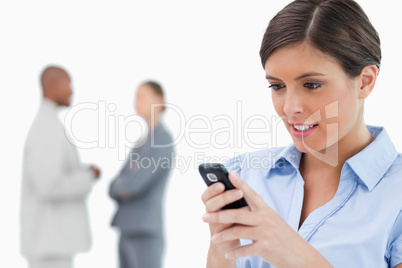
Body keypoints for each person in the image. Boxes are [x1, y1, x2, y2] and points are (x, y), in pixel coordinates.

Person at [201, 0, 402, 267]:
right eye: (277, 86)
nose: (289, 107)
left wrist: (294, 254)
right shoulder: (247, 176)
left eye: (312, 84)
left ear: (365, 81)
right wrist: (221, 250)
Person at [20, 66, 101, 268]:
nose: (71, 91)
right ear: (53, 85)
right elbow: (49, 185)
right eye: (68, 85)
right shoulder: (46, 129)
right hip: (50, 244)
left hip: (51, 243)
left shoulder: (49, 125)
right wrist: (87, 177)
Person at [109, 81, 175, 268]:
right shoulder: (141, 142)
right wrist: (122, 184)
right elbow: (113, 188)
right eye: (136, 97)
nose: (137, 101)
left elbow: (133, 185)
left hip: (145, 231)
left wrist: (123, 183)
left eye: (143, 96)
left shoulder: (163, 140)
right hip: (127, 229)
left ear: (159, 101)